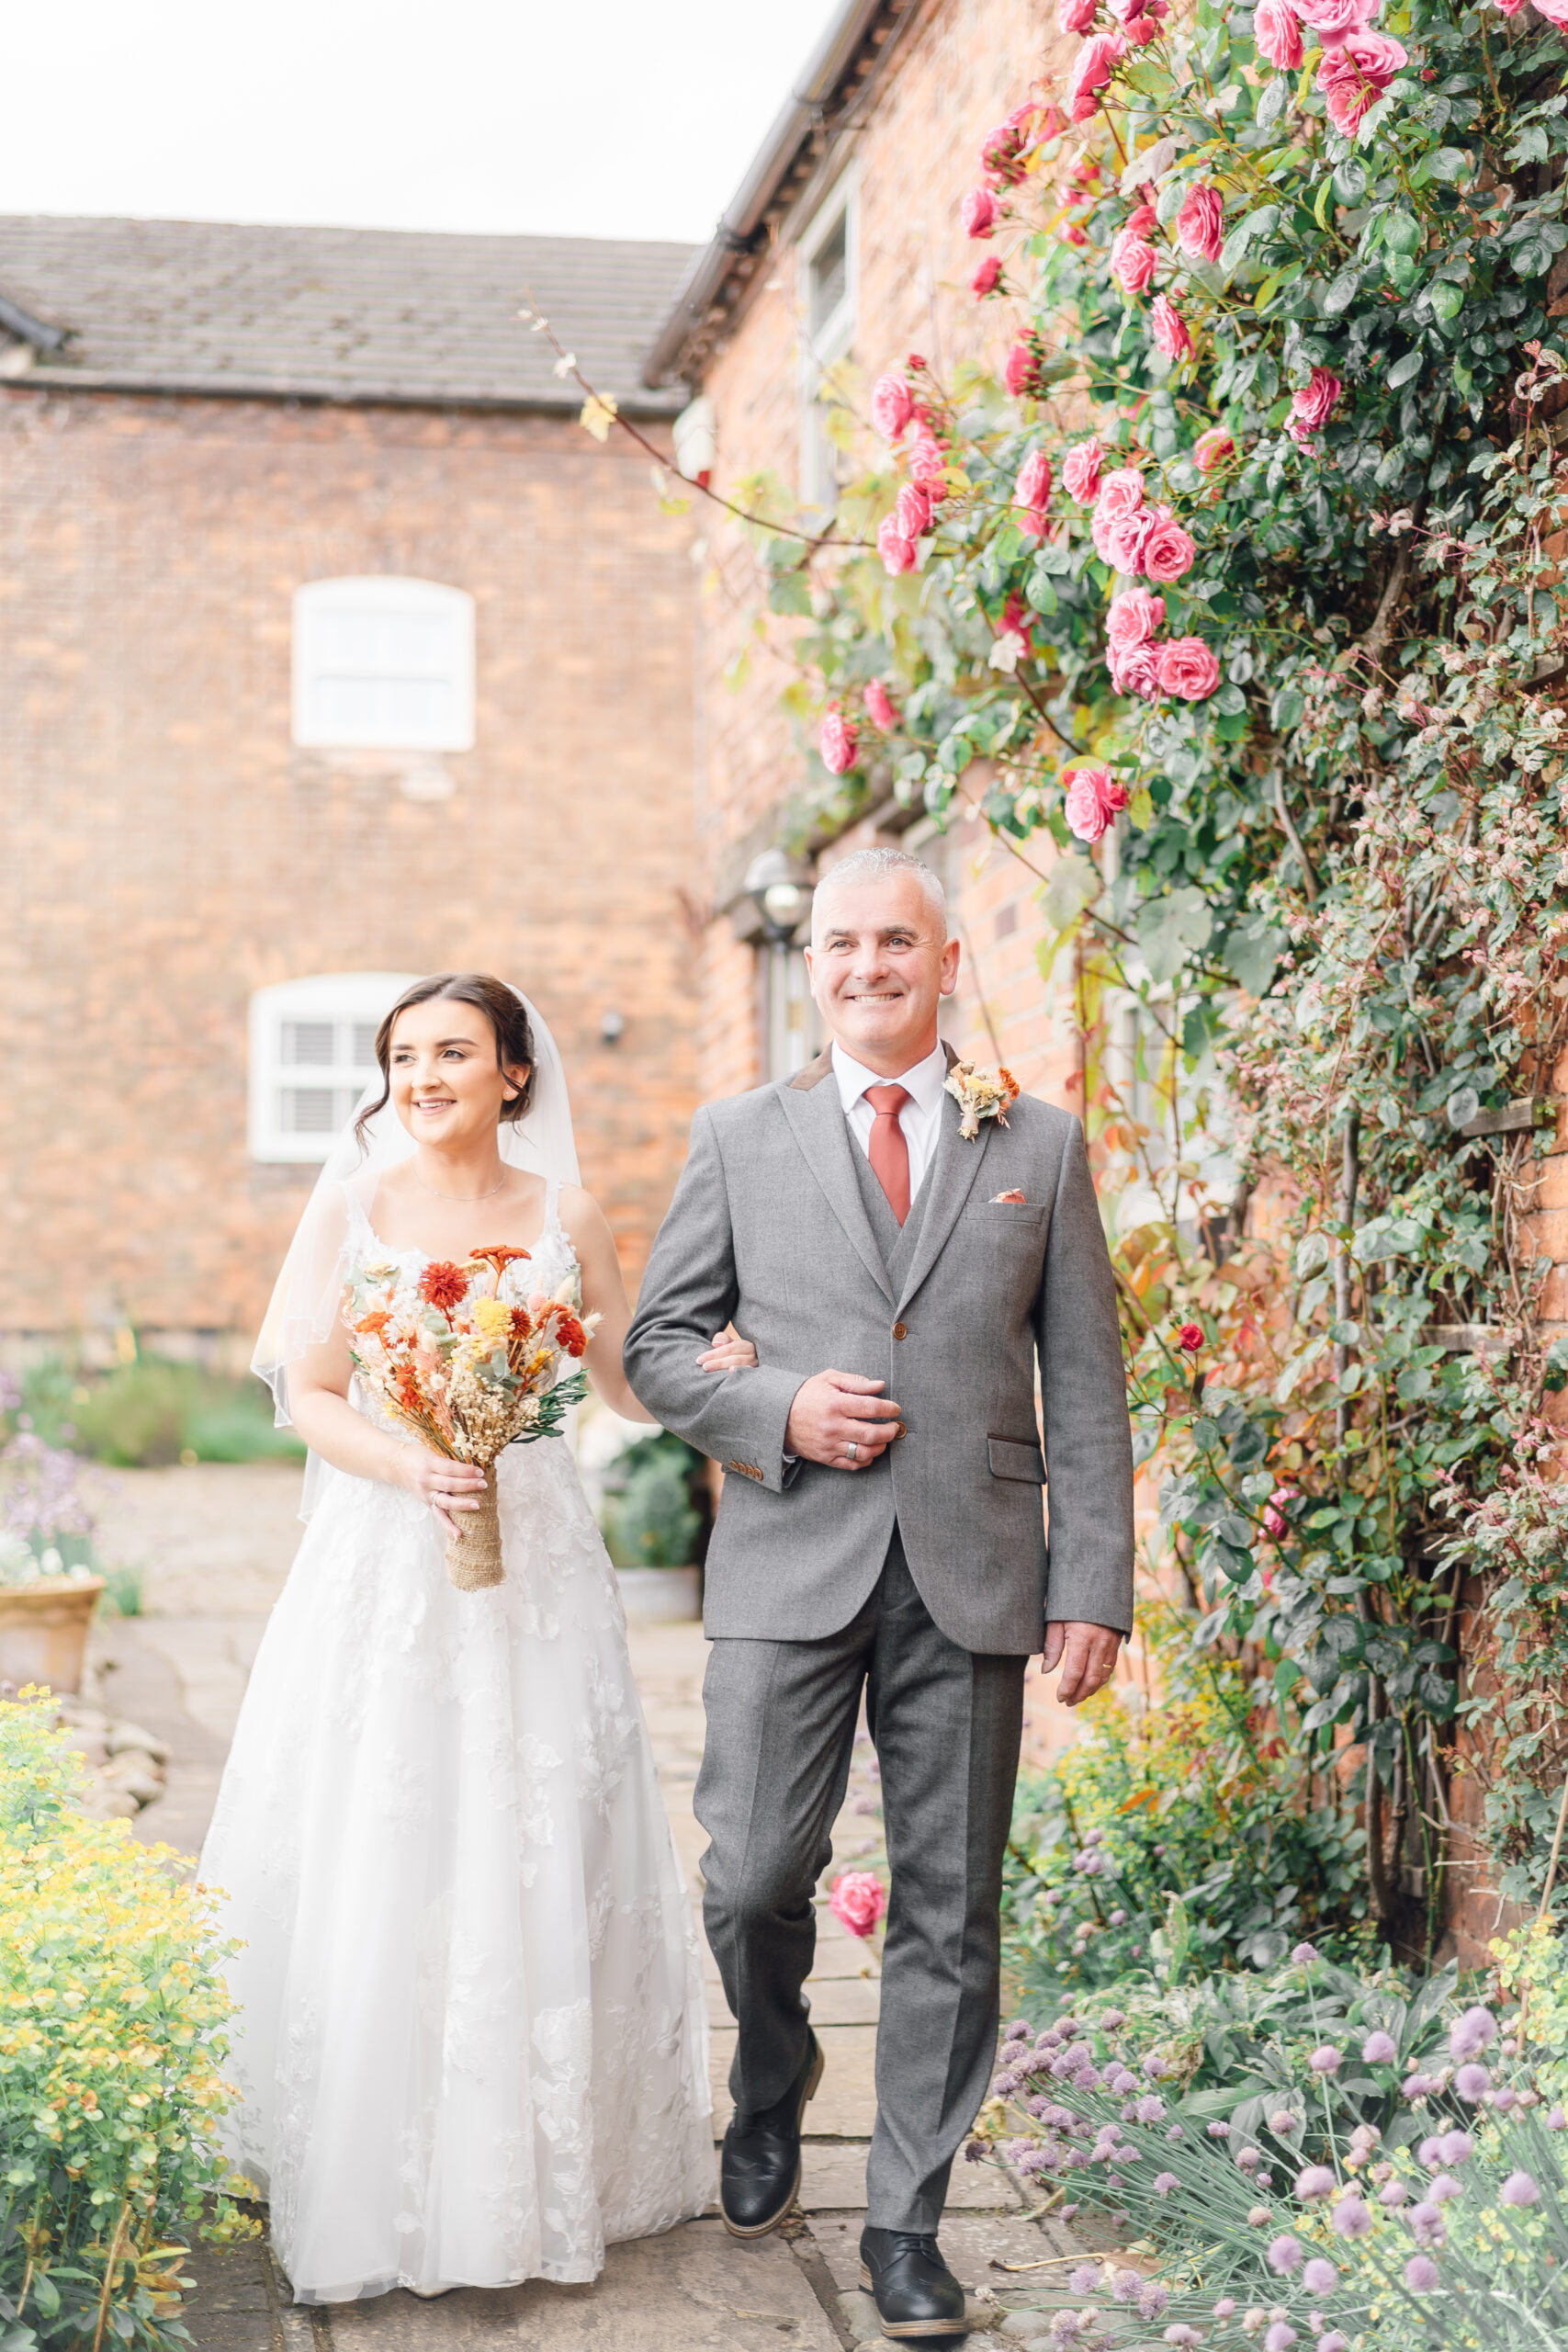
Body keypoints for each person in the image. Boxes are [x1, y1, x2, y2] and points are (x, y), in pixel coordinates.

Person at [624, 850, 1134, 2342]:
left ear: (948, 959)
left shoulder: (1036, 1137)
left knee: (951, 1909)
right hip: (791, 1557)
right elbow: (661, 1345)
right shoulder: (740, 1134)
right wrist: (777, 1409)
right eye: (841, 943)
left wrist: (1089, 1577)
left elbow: (1086, 1388)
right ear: (820, 963)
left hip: (975, 1571)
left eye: (895, 942)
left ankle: (909, 2219)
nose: (865, 966)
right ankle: (772, 2081)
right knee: (752, 1873)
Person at [199, 973, 753, 2304]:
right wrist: (410, 1468)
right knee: (390, 1825)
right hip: (387, 1558)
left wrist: (726, 1373)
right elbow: (313, 1396)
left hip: (540, 1566)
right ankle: (374, 2153)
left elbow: (620, 1377)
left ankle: (543, 2154)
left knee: (536, 1819)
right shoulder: (353, 1205)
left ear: (516, 1073)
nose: (422, 1076)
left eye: (453, 1051)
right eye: (403, 1057)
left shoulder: (564, 1212)